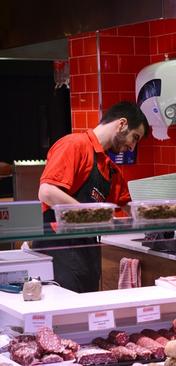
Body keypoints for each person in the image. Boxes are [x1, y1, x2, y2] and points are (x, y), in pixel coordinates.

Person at [33, 101, 148, 293]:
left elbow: (130, 205)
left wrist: (167, 214)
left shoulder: (111, 169)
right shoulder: (74, 144)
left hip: (87, 251)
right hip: (58, 247)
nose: (132, 147)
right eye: (134, 137)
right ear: (121, 124)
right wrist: (93, 213)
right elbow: (47, 191)